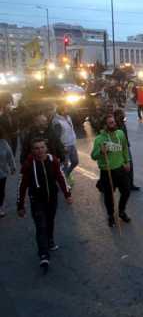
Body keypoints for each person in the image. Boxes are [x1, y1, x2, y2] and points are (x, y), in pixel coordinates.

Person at [17, 138, 73, 273]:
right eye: (36, 148)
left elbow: (60, 177)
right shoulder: (29, 164)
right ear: (32, 150)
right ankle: (43, 255)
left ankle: (50, 240)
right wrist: (20, 205)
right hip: (37, 200)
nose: (40, 150)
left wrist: (67, 194)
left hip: (52, 198)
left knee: (49, 221)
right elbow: (22, 185)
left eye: (42, 147)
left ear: (46, 148)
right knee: (41, 226)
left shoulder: (53, 160)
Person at [91, 114, 132, 227]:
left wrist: (127, 161)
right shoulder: (99, 139)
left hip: (120, 169)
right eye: (110, 123)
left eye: (113, 122)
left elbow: (124, 148)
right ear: (105, 125)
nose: (113, 124)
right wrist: (100, 151)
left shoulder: (120, 133)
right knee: (109, 196)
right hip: (107, 171)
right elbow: (93, 156)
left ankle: (121, 211)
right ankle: (110, 215)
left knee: (126, 191)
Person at [52, 104, 79, 185]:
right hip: (65, 146)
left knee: (75, 161)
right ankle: (64, 181)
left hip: (72, 144)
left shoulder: (68, 117)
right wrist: (62, 147)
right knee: (65, 164)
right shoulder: (57, 122)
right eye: (66, 109)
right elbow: (57, 137)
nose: (68, 110)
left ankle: (66, 174)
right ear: (61, 111)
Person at [114, 108, 140, 191]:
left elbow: (125, 136)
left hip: (125, 147)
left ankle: (130, 184)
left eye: (123, 114)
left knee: (130, 166)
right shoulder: (114, 126)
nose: (123, 116)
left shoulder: (122, 124)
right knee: (119, 168)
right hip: (117, 149)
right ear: (116, 116)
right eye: (121, 115)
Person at [0, 129, 16, 217]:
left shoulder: (3, 143)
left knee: (1, 191)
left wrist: (13, 167)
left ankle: (0, 207)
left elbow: (10, 155)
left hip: (2, 173)